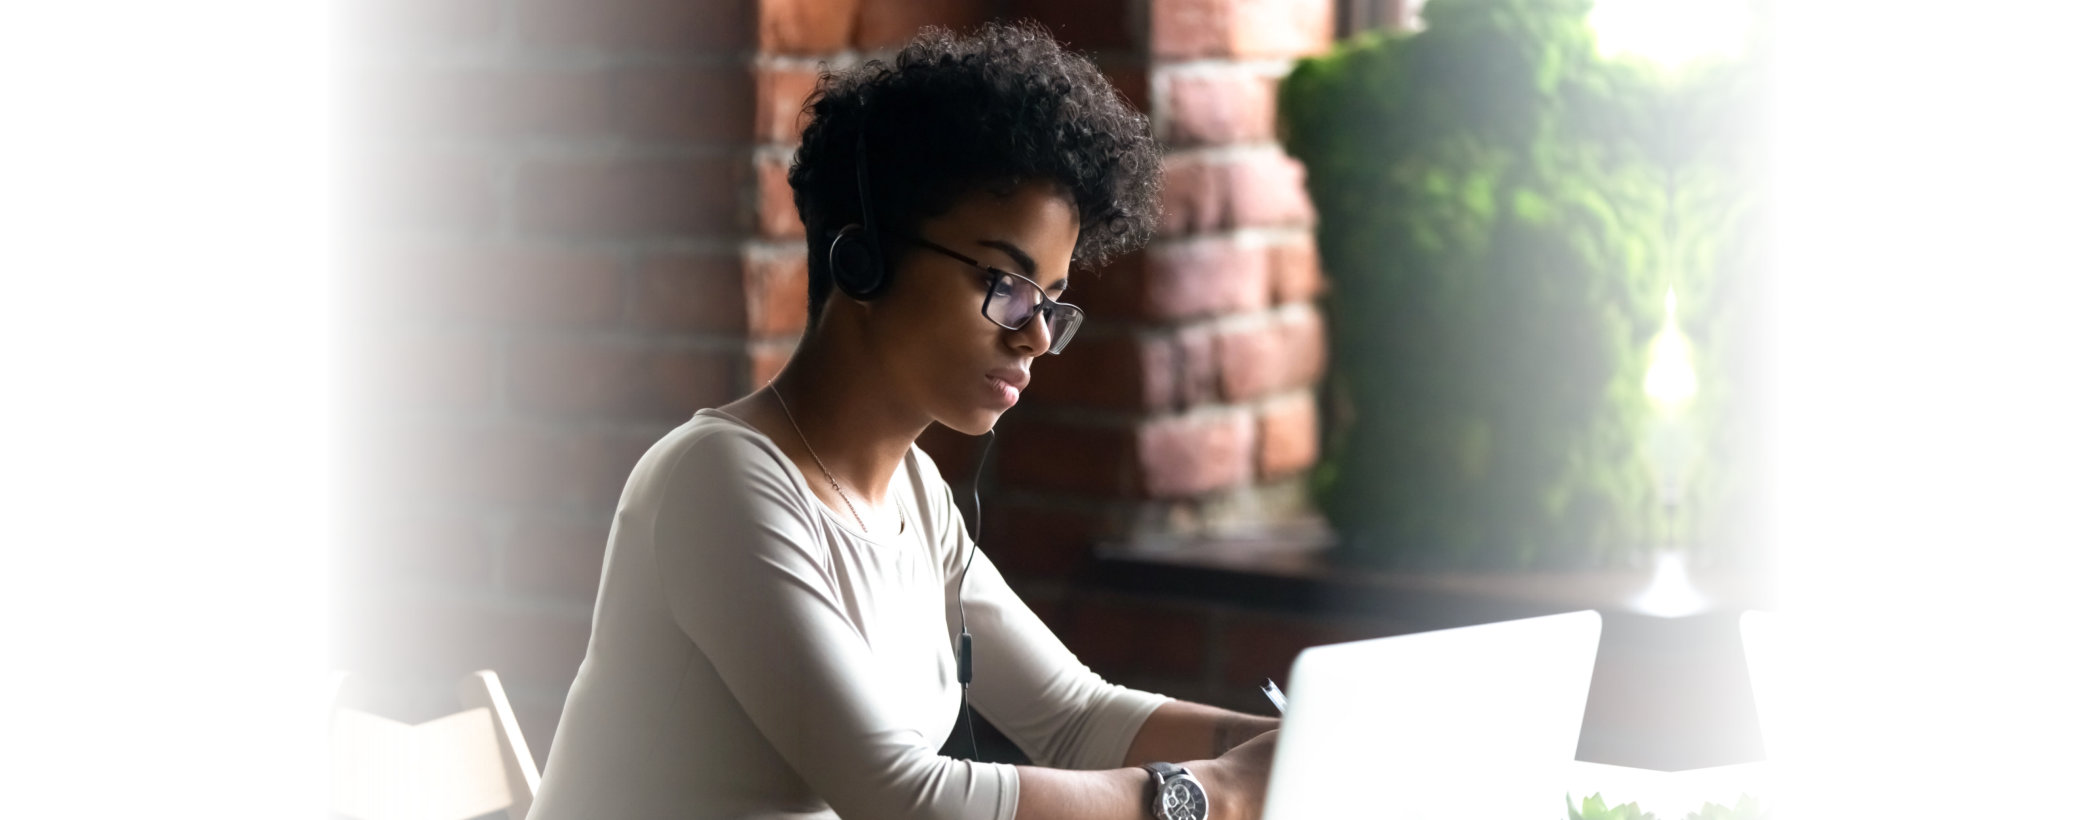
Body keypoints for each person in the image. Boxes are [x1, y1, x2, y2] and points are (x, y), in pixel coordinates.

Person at [527, 22, 1278, 820]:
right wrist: (1216, 796)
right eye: (1007, 284)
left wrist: (1277, 746)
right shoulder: (716, 482)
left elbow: (1075, 718)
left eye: (1051, 303)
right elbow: (905, 799)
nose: (1034, 336)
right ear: (866, 258)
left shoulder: (913, 496)